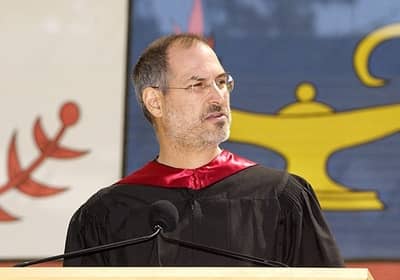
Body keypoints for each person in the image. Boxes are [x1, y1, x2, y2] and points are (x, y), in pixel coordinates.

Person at [63, 33, 344, 267]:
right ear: (155, 102)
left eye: (222, 83)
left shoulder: (280, 197)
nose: (218, 97)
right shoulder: (105, 215)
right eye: (198, 85)